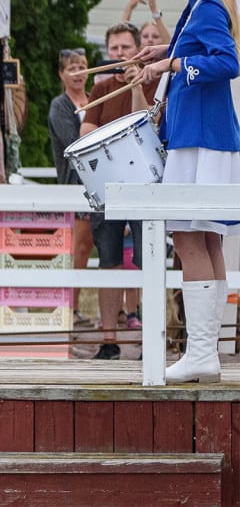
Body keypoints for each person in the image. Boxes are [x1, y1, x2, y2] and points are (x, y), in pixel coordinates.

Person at [133, 0, 240, 384]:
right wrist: (167, 48)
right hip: (203, 134)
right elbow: (201, 49)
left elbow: (229, 61)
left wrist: (173, 62)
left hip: (200, 137)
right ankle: (206, 353)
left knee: (188, 237)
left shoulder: (210, 6)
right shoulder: (200, 5)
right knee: (207, 238)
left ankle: (201, 354)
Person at [77, 22, 149, 358]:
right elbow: (86, 132)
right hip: (106, 187)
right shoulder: (100, 88)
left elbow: (147, 126)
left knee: (146, 262)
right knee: (108, 261)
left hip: (143, 189)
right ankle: (108, 339)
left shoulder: (153, 83)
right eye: (114, 48)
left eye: (125, 47)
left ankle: (152, 335)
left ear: (138, 49)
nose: (119, 54)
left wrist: (135, 84)